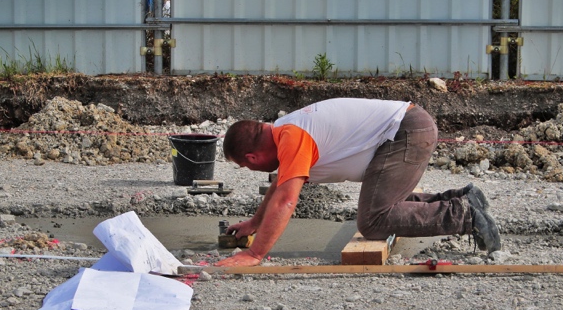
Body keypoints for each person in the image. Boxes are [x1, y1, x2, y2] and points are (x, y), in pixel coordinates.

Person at [214, 98, 501, 267]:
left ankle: (465, 216)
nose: (251, 169)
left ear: (251, 157)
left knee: (374, 219)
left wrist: (255, 253)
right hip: (406, 127)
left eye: (245, 166)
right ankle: (463, 199)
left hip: (406, 130)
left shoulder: (292, 137)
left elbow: (287, 199)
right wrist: (254, 223)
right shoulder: (285, 131)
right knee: (383, 205)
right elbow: (280, 185)